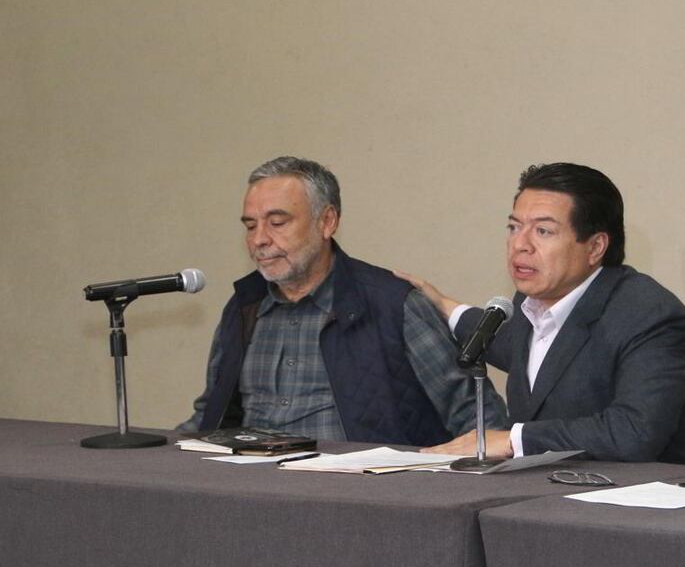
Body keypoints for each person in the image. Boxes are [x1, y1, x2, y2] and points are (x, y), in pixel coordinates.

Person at [178, 156, 507, 443]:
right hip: (251, 486)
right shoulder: (244, 306)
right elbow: (210, 415)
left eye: (277, 223)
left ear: (327, 222)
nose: (259, 239)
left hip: (356, 489)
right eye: (250, 226)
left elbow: (477, 417)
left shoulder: (393, 304)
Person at [401, 162, 685, 464]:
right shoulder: (533, 299)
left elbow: (634, 432)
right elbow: (511, 344)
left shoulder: (650, 315)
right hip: (542, 486)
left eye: (543, 231)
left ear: (595, 247)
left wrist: (514, 440)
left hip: (635, 490)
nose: (520, 244)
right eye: (514, 227)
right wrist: (442, 305)